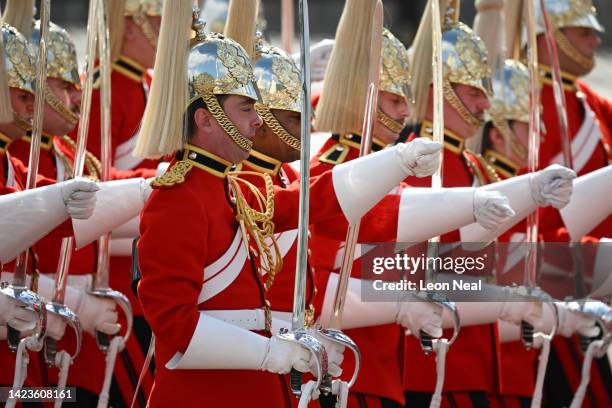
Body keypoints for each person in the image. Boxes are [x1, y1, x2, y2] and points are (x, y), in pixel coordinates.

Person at [134, 2, 443, 406]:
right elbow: (175, 324)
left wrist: (396, 161)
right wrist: (269, 353)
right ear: (206, 119)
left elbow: (309, 201)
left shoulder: (231, 189)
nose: (257, 120)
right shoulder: (176, 200)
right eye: (246, 109)